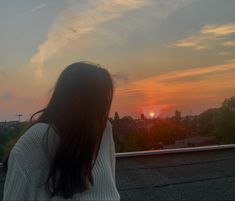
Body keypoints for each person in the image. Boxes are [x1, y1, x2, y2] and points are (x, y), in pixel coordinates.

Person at [3, 62, 120, 200]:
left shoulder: (104, 128)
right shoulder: (35, 140)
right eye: (99, 101)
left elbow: (111, 182)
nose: (103, 109)